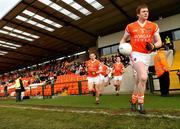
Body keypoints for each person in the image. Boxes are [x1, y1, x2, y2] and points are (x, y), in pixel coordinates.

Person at [120, 4, 162, 114]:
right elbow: (123, 40)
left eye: (147, 11)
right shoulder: (130, 26)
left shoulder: (153, 26)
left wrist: (153, 46)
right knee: (144, 77)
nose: (146, 13)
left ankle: (133, 101)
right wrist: (121, 47)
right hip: (135, 54)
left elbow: (159, 42)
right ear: (138, 14)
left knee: (139, 80)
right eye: (143, 11)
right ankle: (141, 104)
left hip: (146, 56)